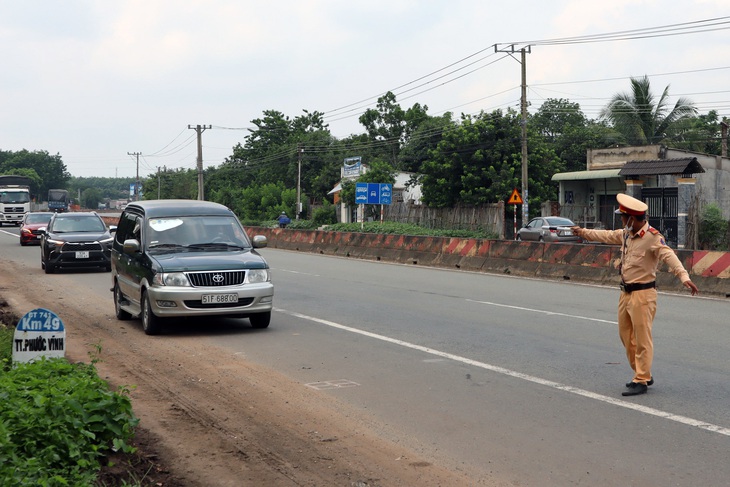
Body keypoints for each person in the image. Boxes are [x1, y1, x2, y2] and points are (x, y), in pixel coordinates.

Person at [571, 193, 699, 397]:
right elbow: (604, 235)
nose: (621, 221)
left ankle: (641, 378)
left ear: (632, 218)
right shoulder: (625, 234)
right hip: (625, 293)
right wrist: (582, 232)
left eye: (623, 217)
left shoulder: (653, 238)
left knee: (642, 338)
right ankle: (643, 373)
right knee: (625, 336)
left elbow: (669, 256)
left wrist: (684, 277)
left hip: (643, 295)